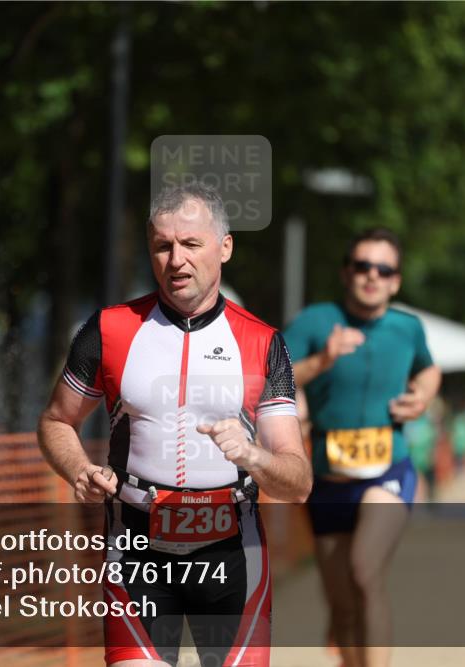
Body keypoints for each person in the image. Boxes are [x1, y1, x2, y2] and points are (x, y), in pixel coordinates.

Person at [37, 182, 311, 667]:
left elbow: (299, 482)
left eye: (191, 244)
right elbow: (57, 421)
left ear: (225, 247)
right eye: (163, 246)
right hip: (136, 548)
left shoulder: (264, 343)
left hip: (232, 554)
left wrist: (253, 455)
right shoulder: (108, 330)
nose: (176, 260)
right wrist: (79, 469)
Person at [282, 227, 441, 667]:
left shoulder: (407, 328)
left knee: (364, 570)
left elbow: (429, 369)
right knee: (342, 605)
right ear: (346, 272)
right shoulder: (315, 322)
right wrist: (323, 360)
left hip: (388, 470)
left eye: (384, 269)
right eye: (363, 266)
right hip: (327, 480)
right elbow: (272, 377)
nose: (373, 275)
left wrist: (424, 396)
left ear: (396, 281)